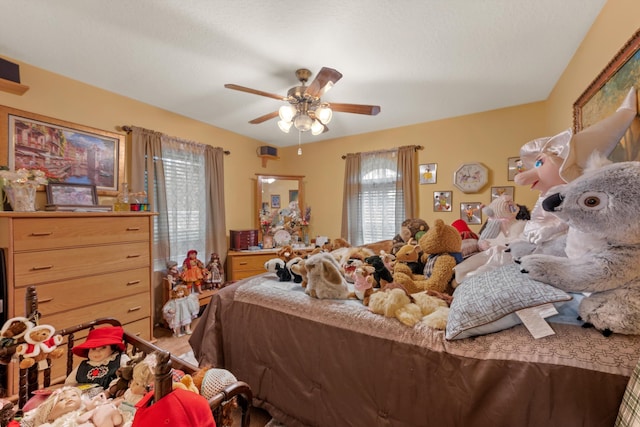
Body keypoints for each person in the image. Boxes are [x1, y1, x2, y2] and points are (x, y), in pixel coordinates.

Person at [65, 326, 130, 396]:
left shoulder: (119, 359)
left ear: (113, 348)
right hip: (82, 398)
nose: (97, 352)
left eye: (103, 348)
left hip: (109, 399)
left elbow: (127, 375)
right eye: (93, 349)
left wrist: (109, 392)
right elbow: (69, 383)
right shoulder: (83, 365)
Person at [23, 386, 127, 427]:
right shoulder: (51, 423)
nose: (69, 399)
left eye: (73, 395)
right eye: (61, 400)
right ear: (50, 414)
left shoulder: (85, 409)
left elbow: (102, 407)